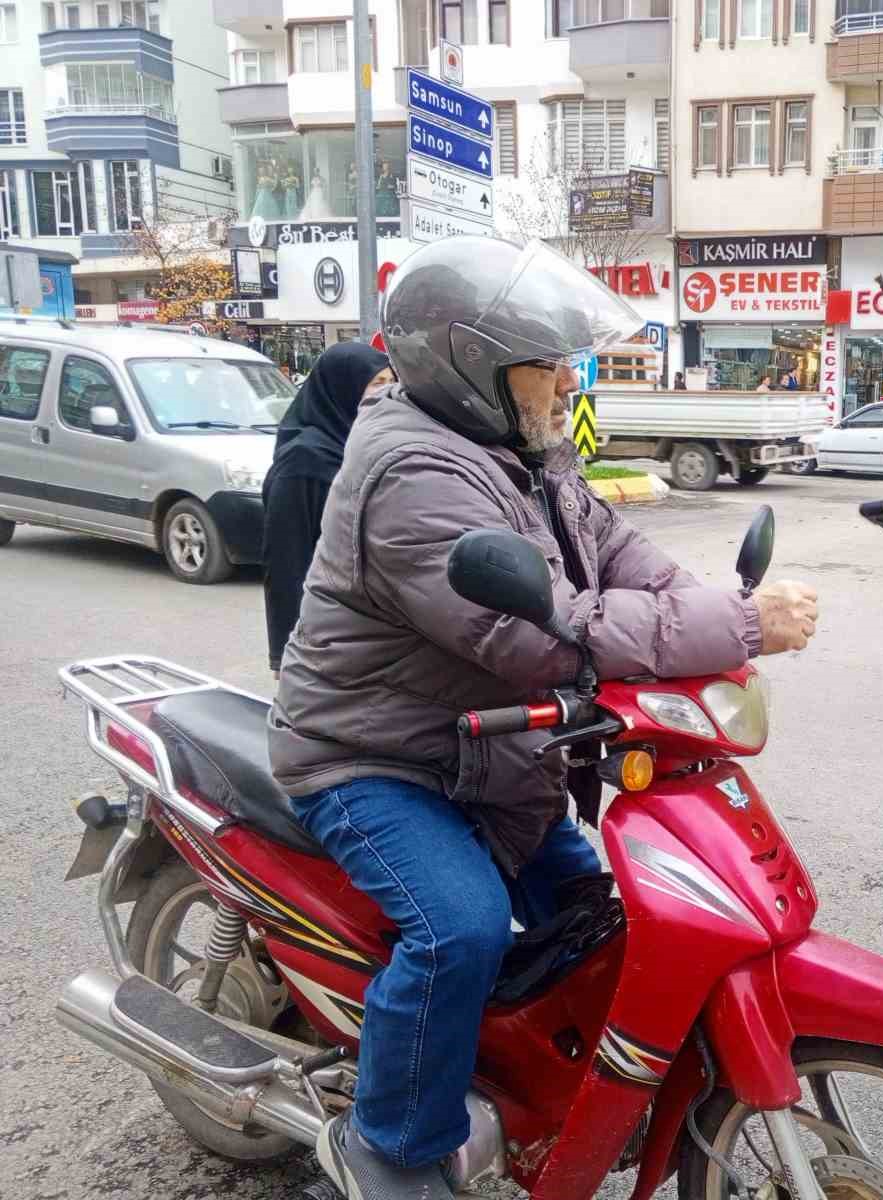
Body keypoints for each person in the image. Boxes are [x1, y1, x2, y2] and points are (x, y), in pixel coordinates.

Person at [269, 237, 819, 1200]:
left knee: (601, 916)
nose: (570, 380)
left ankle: (522, 1082)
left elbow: (615, 550)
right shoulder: (414, 478)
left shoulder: (521, 445)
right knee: (463, 927)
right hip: (375, 760)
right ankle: (392, 1146)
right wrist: (737, 621)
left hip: (481, 750)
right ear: (473, 363)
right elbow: (548, 635)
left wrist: (703, 615)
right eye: (548, 362)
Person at [261, 342, 391, 675]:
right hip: (322, 640)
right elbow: (287, 561)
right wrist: (285, 654)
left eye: (392, 383)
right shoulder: (304, 461)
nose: (388, 394)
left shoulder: (359, 446)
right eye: (377, 384)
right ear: (341, 388)